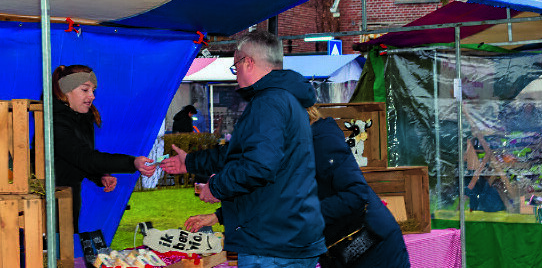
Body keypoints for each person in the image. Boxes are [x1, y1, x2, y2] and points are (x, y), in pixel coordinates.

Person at [160, 31, 325, 268]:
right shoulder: (285, 99)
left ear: (248, 62)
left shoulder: (268, 102)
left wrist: (216, 188)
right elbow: (240, 154)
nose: (235, 72)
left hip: (272, 243)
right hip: (287, 236)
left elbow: (258, 166)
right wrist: (191, 162)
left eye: (235, 64)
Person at [182, 105, 411, 268]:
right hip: (339, 251)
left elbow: (355, 195)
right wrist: (219, 216)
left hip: (373, 247)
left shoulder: (322, 141)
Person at [51, 64, 156, 231]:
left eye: (93, 90)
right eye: (85, 90)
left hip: (68, 199)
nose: (92, 96)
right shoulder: (55, 122)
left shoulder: (83, 118)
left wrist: (99, 176)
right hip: (48, 201)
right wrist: (132, 163)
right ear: (65, 91)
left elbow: (78, 158)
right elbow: (84, 158)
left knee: (66, 250)